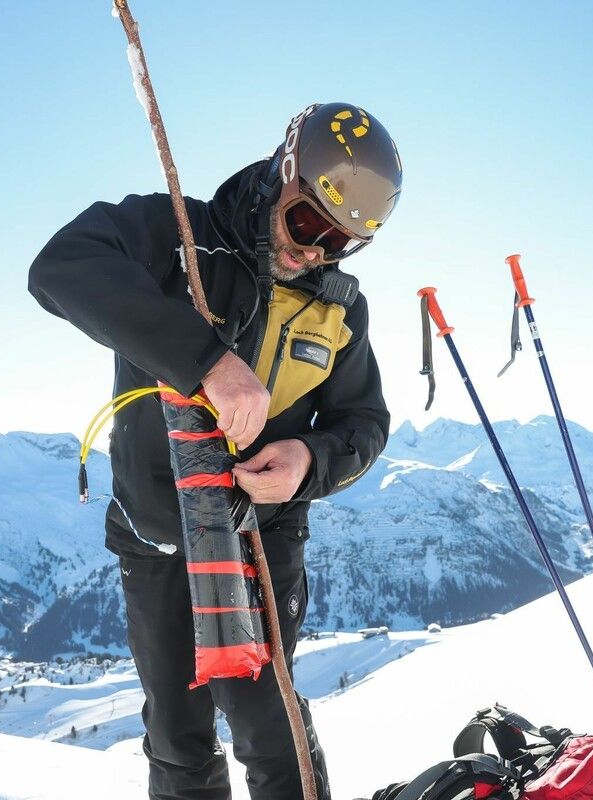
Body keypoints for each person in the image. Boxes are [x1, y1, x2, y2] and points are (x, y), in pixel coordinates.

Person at [28, 102, 402, 800]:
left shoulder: (339, 307)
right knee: (177, 737)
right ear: (277, 176)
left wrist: (307, 464)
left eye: (340, 240)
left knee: (271, 729)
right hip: (158, 536)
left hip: (262, 538)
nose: (313, 250)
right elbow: (60, 267)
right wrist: (205, 360)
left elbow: (364, 420)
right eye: (305, 221)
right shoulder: (178, 235)